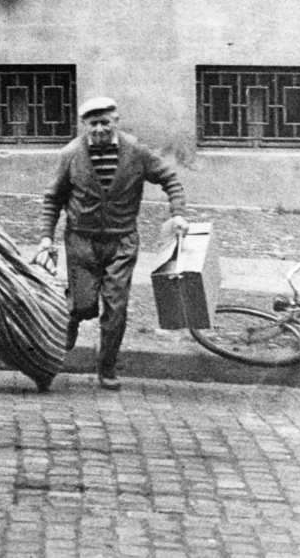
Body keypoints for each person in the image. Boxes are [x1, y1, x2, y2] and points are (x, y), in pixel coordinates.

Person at [34, 97, 188, 390]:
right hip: (81, 239)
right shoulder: (70, 154)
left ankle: (106, 368)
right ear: (84, 126)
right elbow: (53, 198)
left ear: (116, 121)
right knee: (84, 305)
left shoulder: (137, 152)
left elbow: (170, 178)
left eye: (106, 122)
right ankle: (73, 318)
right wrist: (45, 238)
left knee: (116, 308)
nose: (100, 129)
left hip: (123, 240)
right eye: (93, 123)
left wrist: (178, 214)